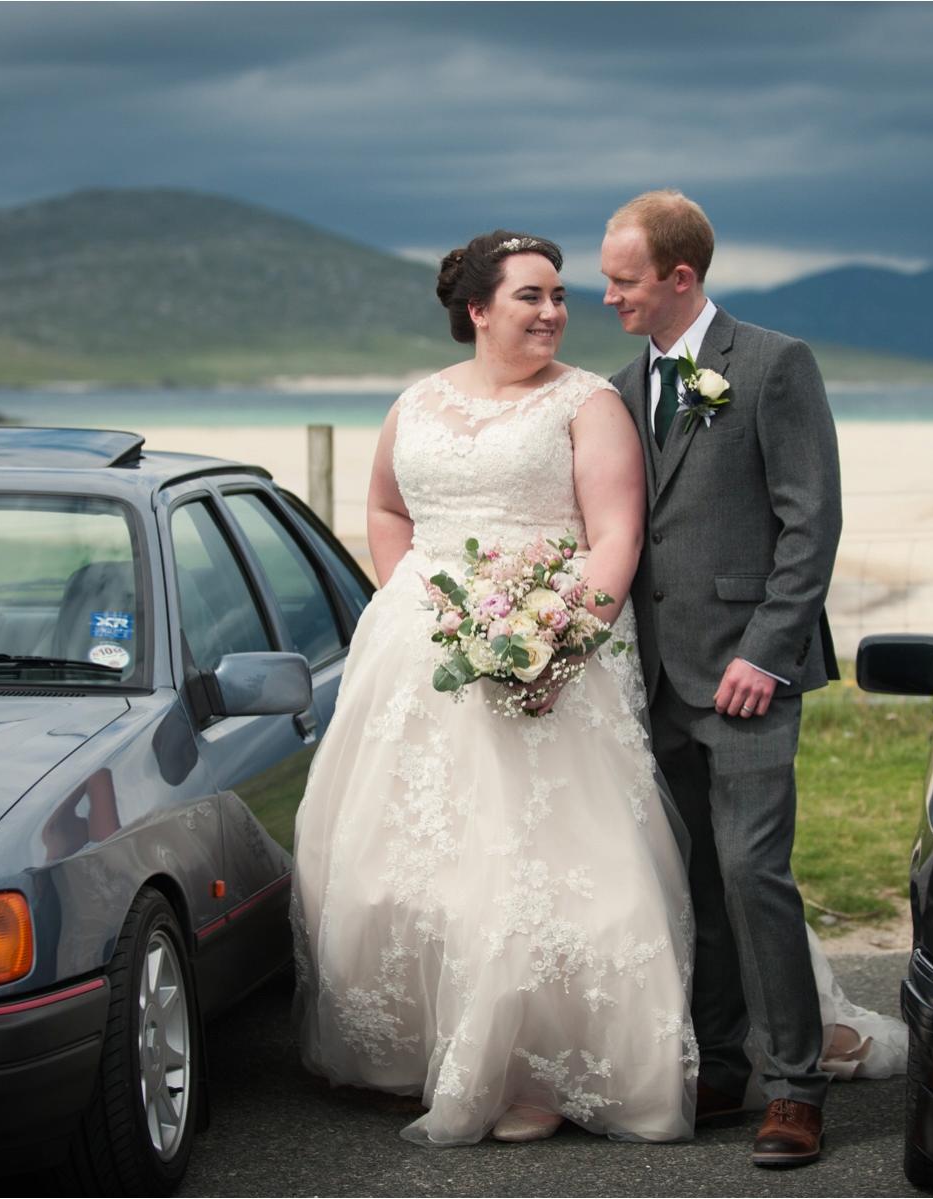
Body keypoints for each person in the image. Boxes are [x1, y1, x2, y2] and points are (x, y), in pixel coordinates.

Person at [290, 230, 699, 1145]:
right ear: (477, 310)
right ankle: (424, 1051)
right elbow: (389, 510)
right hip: (420, 657)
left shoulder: (588, 404)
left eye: (559, 295)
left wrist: (556, 642)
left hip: (550, 649)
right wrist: (417, 601)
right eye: (532, 296)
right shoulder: (416, 404)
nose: (554, 311)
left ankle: (539, 1065)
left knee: (543, 863)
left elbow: (616, 538)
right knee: (410, 855)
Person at [602, 190, 901, 1169]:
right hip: (651, 678)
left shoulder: (773, 366)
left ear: (681, 277)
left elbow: (812, 523)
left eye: (624, 280)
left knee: (751, 870)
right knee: (693, 880)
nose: (607, 296)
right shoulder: (615, 387)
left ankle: (798, 1087)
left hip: (747, 675)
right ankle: (722, 1064)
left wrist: (764, 652)